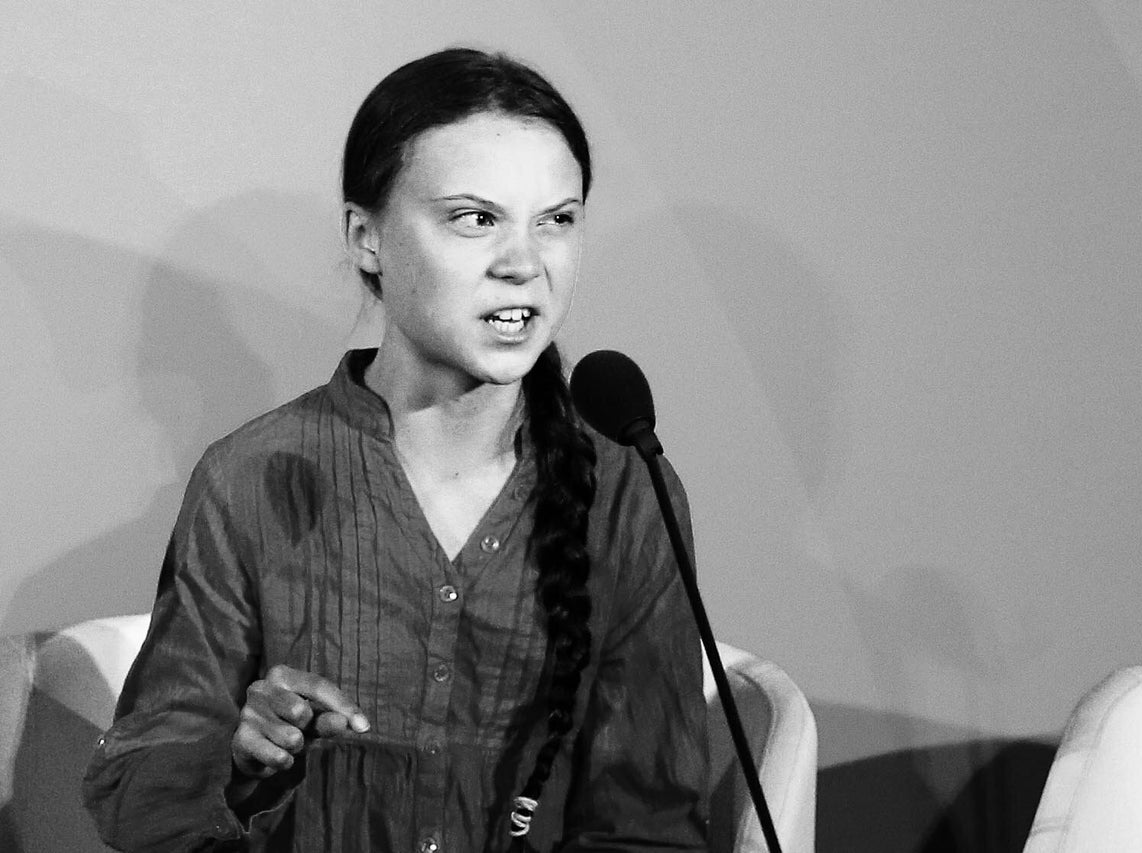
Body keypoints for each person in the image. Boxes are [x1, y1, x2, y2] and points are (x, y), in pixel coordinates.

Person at [82, 48, 709, 852]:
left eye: (557, 219)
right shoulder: (247, 478)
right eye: (475, 218)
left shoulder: (626, 494)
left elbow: (649, 827)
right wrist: (237, 762)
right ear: (367, 237)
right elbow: (142, 797)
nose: (525, 264)